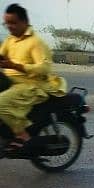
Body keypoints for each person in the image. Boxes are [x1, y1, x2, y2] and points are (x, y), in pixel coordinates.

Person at [0, 3, 66, 150]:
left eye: (13, 23)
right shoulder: (10, 40)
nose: (9, 26)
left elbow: (44, 68)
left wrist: (15, 66)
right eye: (7, 23)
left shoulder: (35, 43)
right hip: (11, 82)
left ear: (24, 22)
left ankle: (22, 135)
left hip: (31, 86)